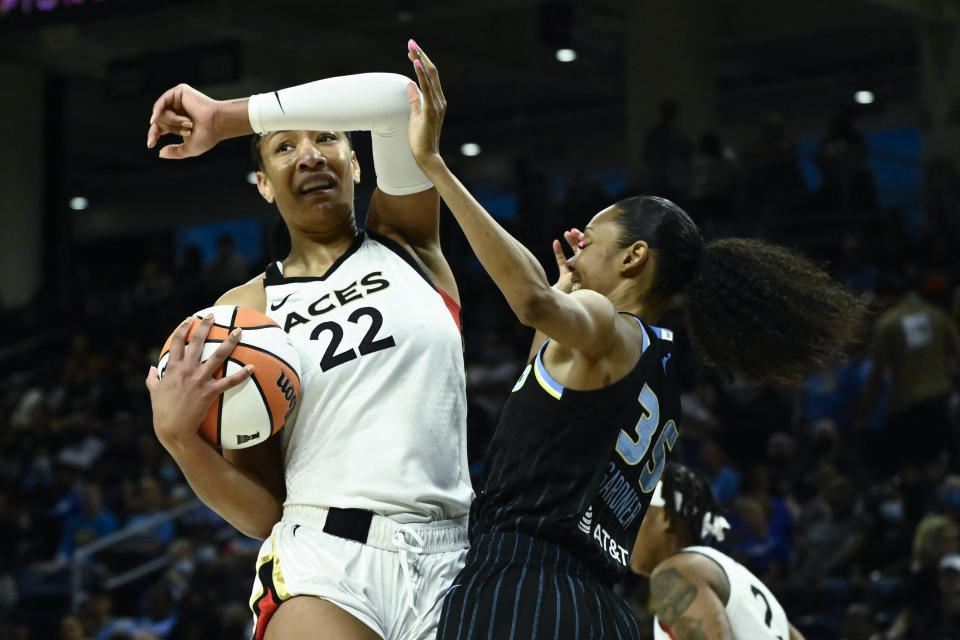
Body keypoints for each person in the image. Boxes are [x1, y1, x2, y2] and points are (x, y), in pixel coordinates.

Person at [405, 43, 865, 638]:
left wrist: (434, 165)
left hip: (523, 584)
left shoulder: (607, 323)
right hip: (598, 606)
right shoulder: (658, 366)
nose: (576, 244)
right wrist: (562, 289)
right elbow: (542, 386)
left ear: (634, 257)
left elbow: (530, 304)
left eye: (590, 237)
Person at [143, 48, 473, 640]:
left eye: (326, 138)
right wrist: (180, 442)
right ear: (264, 185)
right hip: (325, 560)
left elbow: (401, 98)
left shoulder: (410, 242)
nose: (310, 153)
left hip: (457, 559)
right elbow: (262, 508)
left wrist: (228, 118)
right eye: (283, 146)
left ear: (356, 162)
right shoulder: (241, 311)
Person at [630, 463, 806, 640]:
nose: (626, 528)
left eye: (636, 516)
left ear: (665, 517)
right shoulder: (740, 577)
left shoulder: (678, 572)